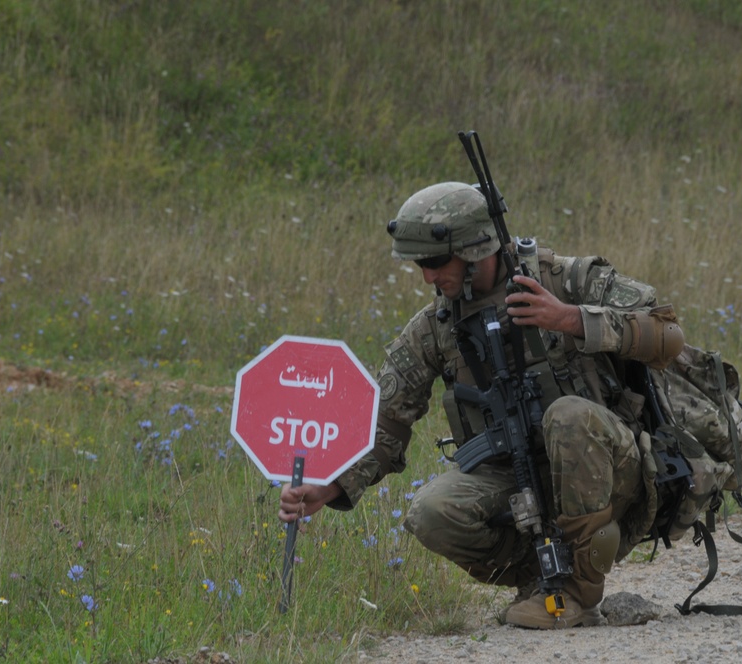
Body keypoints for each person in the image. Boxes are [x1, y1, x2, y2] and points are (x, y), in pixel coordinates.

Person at [278, 181, 684, 629]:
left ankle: (577, 594)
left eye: (435, 262)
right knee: (430, 513)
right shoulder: (436, 326)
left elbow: (667, 334)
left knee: (568, 415)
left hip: (612, 473)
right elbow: (386, 422)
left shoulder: (564, 280)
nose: (428, 277)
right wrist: (330, 486)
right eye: (419, 265)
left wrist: (568, 318)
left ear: (474, 249)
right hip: (518, 481)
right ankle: (541, 576)